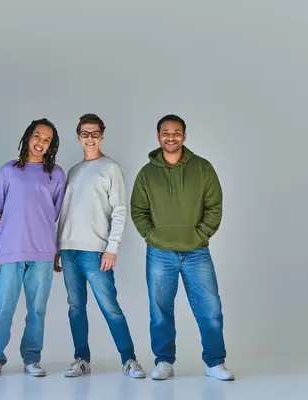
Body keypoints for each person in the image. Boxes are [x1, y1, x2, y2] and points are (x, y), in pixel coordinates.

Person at [130, 114, 235, 381]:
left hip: (196, 251)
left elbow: (214, 207)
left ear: (184, 136)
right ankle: (164, 361)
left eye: (177, 132)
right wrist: (152, 236)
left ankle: (215, 363)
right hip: (159, 253)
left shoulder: (203, 168)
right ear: (158, 137)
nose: (171, 137)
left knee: (209, 309)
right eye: (166, 132)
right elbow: (138, 211)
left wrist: (199, 235)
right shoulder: (147, 173)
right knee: (160, 310)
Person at [53, 114, 146, 378]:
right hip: (69, 250)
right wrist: (58, 247)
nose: (90, 138)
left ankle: (129, 360)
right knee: (75, 307)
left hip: (95, 251)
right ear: (78, 136)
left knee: (109, 306)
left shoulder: (110, 168)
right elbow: (66, 211)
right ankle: (81, 358)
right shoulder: (73, 171)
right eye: (85, 133)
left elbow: (119, 210)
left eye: (95, 133)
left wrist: (112, 248)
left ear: (102, 135)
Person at [0, 118, 66, 378]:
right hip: (9, 251)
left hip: (42, 252)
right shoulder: (8, 171)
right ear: (28, 136)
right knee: (3, 308)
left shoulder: (56, 174)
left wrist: (56, 251)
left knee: (37, 309)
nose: (41, 142)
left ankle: (31, 358)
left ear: (51, 145)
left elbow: (57, 216)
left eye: (47, 140)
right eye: (37, 136)